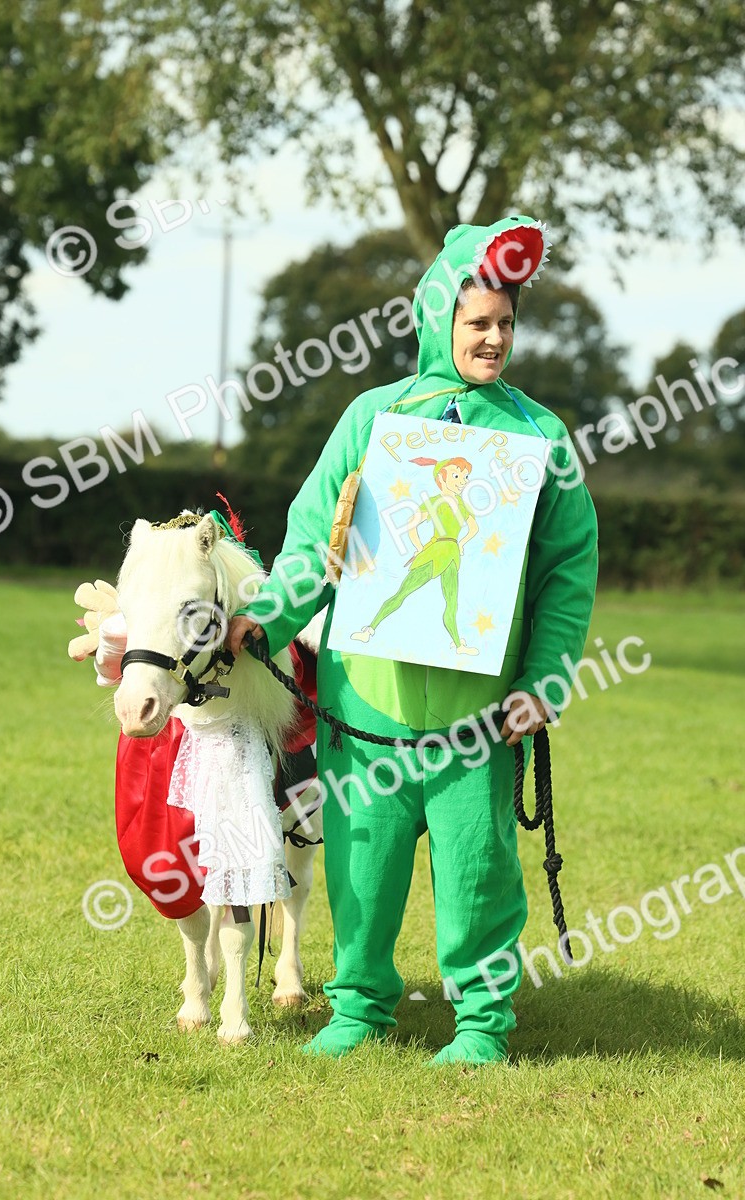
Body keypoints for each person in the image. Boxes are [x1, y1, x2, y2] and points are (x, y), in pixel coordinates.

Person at [227, 215, 598, 1065]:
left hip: (478, 715)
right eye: (478, 323)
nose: (495, 339)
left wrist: (543, 680)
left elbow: (568, 569)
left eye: (506, 324)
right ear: (441, 319)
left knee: (478, 869)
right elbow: (311, 539)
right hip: (371, 705)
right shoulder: (369, 417)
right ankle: (358, 1008)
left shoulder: (542, 436)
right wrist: (268, 620)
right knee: (363, 859)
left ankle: (482, 1025)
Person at [350, 454, 479, 653]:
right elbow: (412, 524)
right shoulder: (435, 501)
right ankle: (369, 629)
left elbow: (474, 528)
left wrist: (461, 543)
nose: (462, 481)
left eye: (465, 477)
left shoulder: (462, 505)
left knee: (452, 602)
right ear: (442, 478)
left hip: (452, 554)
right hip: (434, 553)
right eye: (456, 476)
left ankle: (459, 644)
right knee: (403, 593)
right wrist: (419, 547)